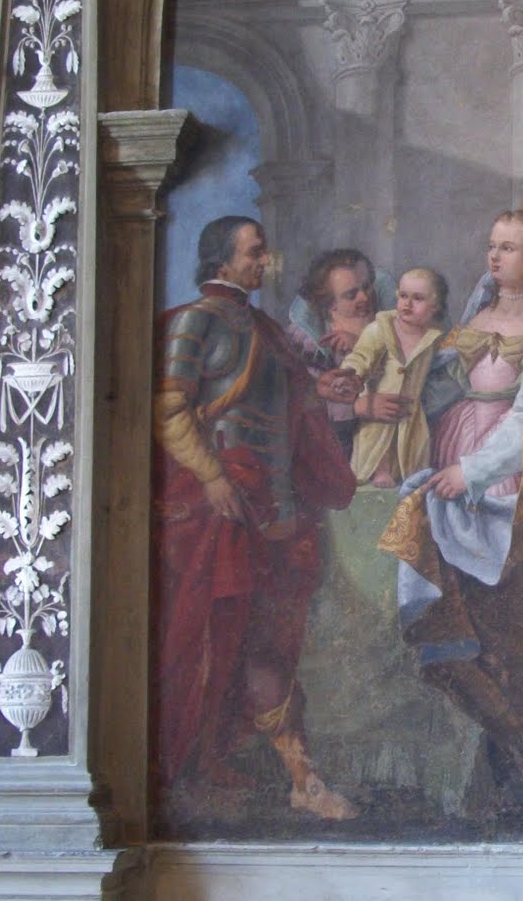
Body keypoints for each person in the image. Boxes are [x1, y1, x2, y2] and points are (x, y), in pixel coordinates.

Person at [379, 208, 523, 820]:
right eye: (492, 245)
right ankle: (496, 760)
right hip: (455, 460)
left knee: (519, 619)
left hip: (514, 478)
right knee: (466, 611)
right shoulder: (471, 320)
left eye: (508, 247)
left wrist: (474, 471)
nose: (494, 257)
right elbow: (433, 390)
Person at [152, 216, 359, 820]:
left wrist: (328, 390)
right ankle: (191, 774)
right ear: (222, 261)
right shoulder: (197, 321)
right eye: (254, 252)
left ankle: (300, 780)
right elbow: (168, 409)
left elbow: (288, 406)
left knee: (267, 641)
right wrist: (211, 476)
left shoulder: (265, 329)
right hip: (216, 513)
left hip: (273, 510)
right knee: (206, 643)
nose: (264, 261)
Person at [331, 267, 450, 489]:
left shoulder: (435, 337)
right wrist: (351, 375)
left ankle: (408, 475)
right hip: (379, 402)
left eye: (418, 299)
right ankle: (380, 470)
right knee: (378, 440)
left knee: (411, 446)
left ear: (435, 306)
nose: (407, 304)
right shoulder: (381, 328)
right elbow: (361, 356)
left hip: (411, 408)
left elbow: (443, 366)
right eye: (403, 296)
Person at [287, 249, 380, 455]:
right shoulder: (311, 342)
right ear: (330, 303)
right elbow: (304, 400)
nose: (364, 297)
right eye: (351, 295)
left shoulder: (389, 322)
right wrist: (357, 408)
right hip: (334, 443)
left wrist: (360, 344)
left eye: (366, 287)